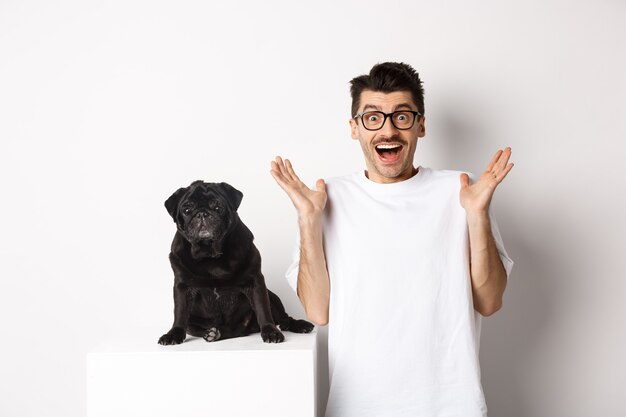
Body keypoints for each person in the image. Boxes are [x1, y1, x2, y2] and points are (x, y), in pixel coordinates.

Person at [269, 62, 514, 417]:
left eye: (401, 117)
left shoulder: (461, 191)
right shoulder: (324, 198)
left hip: (451, 406)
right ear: (354, 128)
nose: (388, 129)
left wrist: (476, 216)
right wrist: (309, 221)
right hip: (356, 407)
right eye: (372, 118)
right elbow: (317, 312)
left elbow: (489, 302)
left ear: (421, 125)